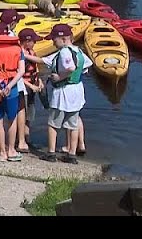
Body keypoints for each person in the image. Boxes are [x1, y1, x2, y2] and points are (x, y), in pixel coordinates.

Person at [27, 23, 93, 164]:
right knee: (73, 124)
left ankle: (51, 153)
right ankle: (71, 154)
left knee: (53, 123)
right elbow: (86, 66)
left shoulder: (64, 52)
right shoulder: (79, 51)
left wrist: (59, 77)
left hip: (63, 92)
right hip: (77, 91)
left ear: (63, 39)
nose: (53, 42)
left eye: (54, 39)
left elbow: (70, 67)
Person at [0, 22, 26, 162]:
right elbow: (21, 71)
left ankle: (2, 152)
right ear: (7, 32)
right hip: (11, 87)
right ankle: (12, 150)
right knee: (12, 119)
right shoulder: (17, 48)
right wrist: (10, 85)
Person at [16, 28, 45, 153]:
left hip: (33, 87)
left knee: (30, 115)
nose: (35, 43)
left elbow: (36, 69)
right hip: (24, 88)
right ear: (26, 41)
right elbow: (17, 75)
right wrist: (30, 85)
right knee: (22, 113)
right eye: (33, 41)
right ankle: (19, 139)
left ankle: (27, 138)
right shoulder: (19, 54)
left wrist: (39, 81)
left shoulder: (31, 52)